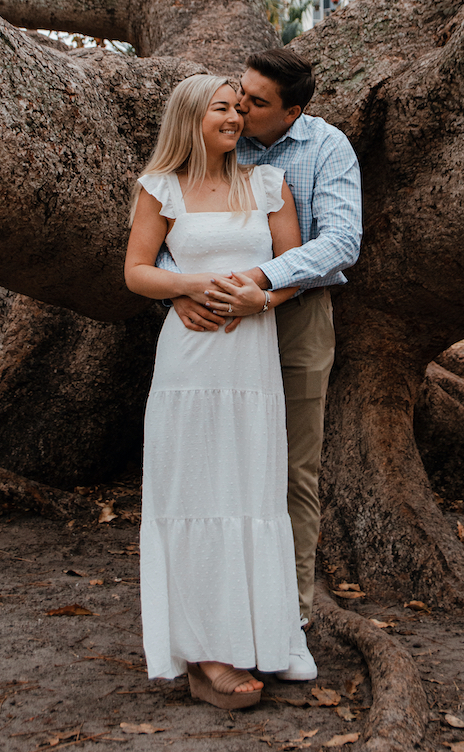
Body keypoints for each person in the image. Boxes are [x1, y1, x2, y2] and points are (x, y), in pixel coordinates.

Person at [166, 51, 362, 682]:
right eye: (238, 94)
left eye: (255, 102)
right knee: (216, 469)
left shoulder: (325, 148)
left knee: (292, 469)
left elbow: (341, 241)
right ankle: (214, 617)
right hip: (213, 324)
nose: (240, 108)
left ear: (292, 111)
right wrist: (180, 289)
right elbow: (171, 222)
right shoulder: (219, 136)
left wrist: (262, 284)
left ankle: (289, 619)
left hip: (296, 316)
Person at [125, 73, 304, 710]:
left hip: (250, 364)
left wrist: (263, 301)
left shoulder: (268, 184)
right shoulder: (161, 187)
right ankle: (205, 654)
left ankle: (256, 636)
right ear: (190, 118)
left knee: (250, 494)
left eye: (238, 108)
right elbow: (136, 271)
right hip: (190, 364)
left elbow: (294, 268)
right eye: (221, 108)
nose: (234, 117)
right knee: (195, 493)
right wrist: (187, 286)